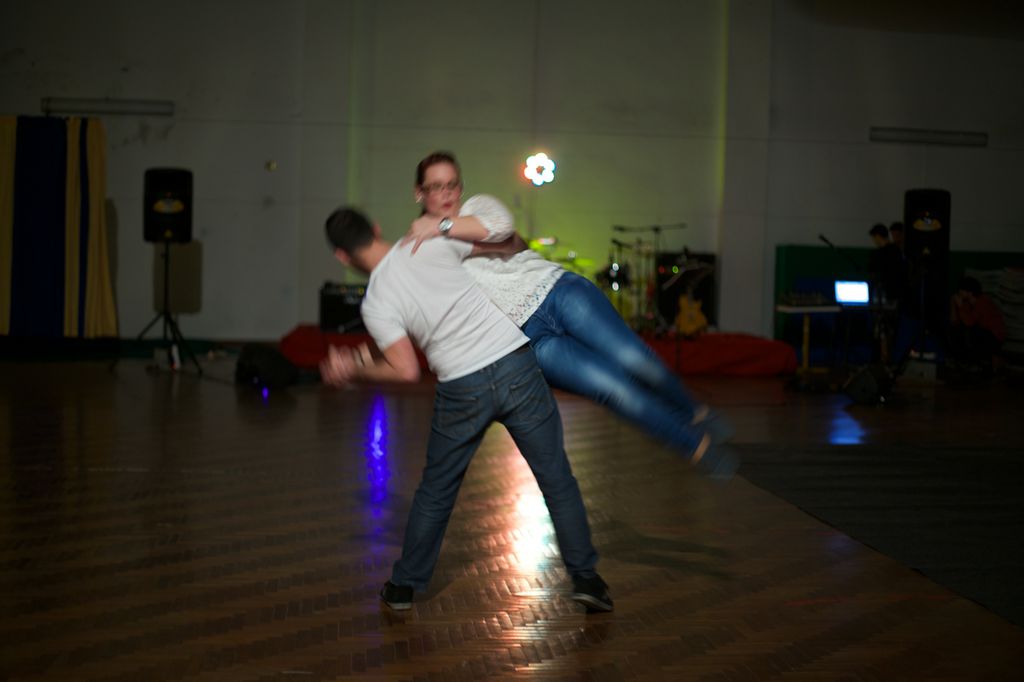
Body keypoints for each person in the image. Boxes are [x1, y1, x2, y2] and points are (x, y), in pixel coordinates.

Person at [321, 207, 614, 613]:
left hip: (462, 387)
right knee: (557, 479)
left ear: (341, 255)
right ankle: (587, 580)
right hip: (515, 364)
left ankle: (403, 587)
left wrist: (354, 369)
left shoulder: (375, 302)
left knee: (436, 492)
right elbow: (506, 242)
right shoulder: (429, 242)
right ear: (375, 227)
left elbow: (405, 370)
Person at [401, 152, 738, 470]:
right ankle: (696, 448)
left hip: (558, 293)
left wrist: (443, 228)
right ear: (419, 193)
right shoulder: (420, 253)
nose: (447, 194)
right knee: (613, 390)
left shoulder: (477, 207)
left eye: (452, 184)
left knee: (634, 359)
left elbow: (505, 231)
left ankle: (694, 411)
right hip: (529, 339)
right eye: (436, 186)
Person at [948, 276, 1006, 377]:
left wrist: (960, 306)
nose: (959, 292)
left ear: (970, 292)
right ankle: (961, 360)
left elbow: (969, 323)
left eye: (961, 290)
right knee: (955, 329)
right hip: (981, 334)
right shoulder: (967, 304)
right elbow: (954, 322)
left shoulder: (982, 302)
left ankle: (975, 362)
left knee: (969, 330)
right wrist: (953, 305)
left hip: (993, 337)